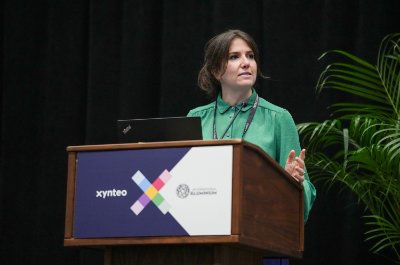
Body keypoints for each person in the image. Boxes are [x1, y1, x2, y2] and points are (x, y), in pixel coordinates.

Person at [187, 29, 316, 222]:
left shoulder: (278, 118)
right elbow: (183, 183)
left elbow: (305, 191)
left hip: (261, 230)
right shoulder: (196, 117)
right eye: (234, 57)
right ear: (215, 71)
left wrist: (291, 181)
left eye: (250, 56)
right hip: (206, 229)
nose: (246, 63)